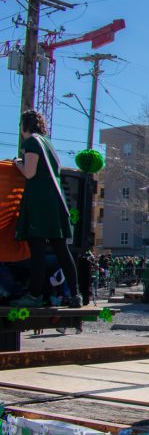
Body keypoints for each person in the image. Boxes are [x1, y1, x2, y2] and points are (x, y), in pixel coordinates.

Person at [11, 110, 81, 308]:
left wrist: (17, 163)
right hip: (55, 202)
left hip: (39, 204)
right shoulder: (47, 143)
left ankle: (34, 296)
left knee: (38, 252)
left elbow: (30, 173)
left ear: (25, 124)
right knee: (62, 250)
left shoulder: (32, 142)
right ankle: (76, 295)